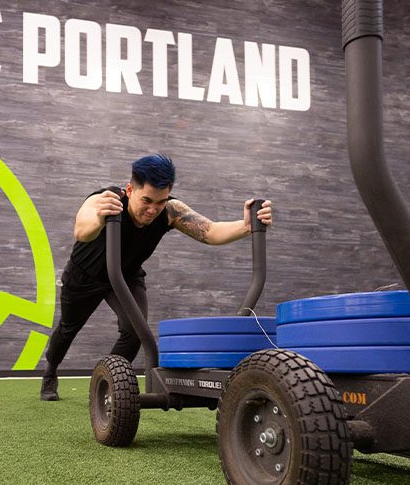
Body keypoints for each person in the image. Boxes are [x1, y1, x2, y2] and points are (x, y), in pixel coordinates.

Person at [40, 154, 273, 400]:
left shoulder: (171, 211)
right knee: (67, 329)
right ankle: (50, 372)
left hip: (126, 275)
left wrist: (246, 226)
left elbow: (211, 232)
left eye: (160, 202)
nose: (152, 210)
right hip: (84, 275)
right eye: (146, 200)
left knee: (135, 331)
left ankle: (107, 384)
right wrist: (99, 219)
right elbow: (81, 231)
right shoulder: (106, 200)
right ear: (130, 189)